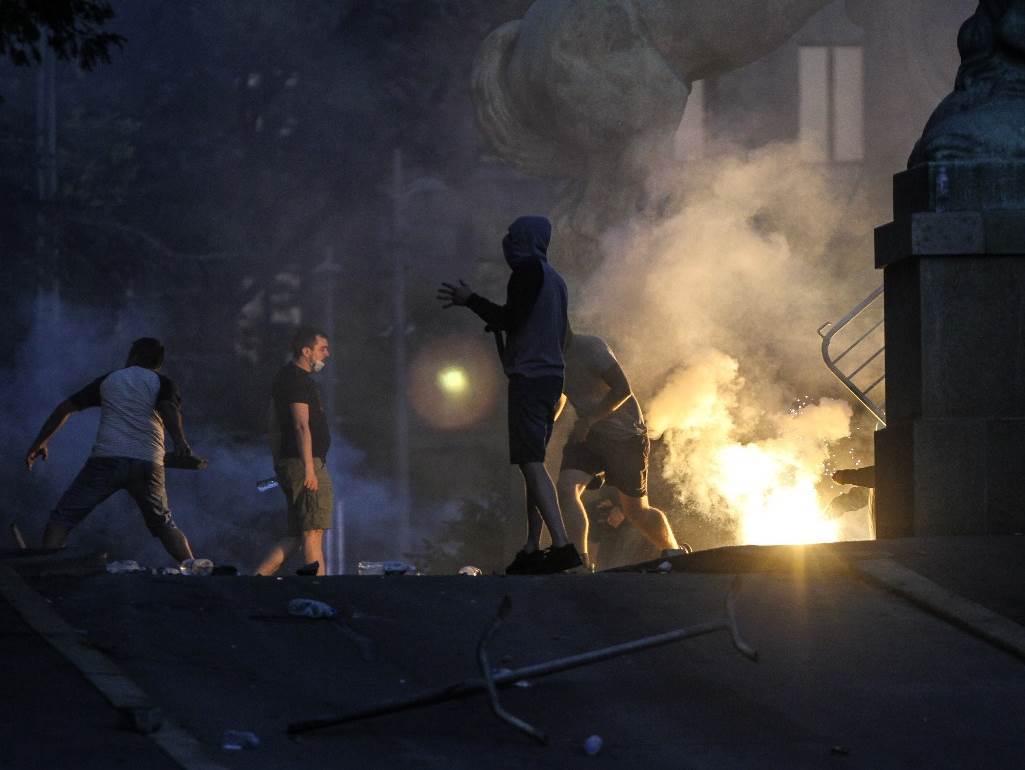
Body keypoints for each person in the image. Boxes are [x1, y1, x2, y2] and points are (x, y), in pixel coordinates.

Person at [438, 215, 582, 574]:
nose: (506, 243)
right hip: (551, 378)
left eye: (512, 236)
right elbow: (563, 335)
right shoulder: (557, 281)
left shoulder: (528, 273)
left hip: (530, 378)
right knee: (534, 463)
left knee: (530, 461)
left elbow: (510, 318)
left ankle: (562, 547)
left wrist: (470, 299)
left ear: (526, 241)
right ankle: (533, 548)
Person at [24, 337, 197, 563]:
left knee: (63, 518)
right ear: (159, 363)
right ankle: (194, 569)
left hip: (107, 460)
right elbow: (168, 409)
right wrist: (181, 443)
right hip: (148, 462)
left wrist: (40, 443)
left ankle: (45, 569)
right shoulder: (163, 383)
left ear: (133, 356)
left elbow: (65, 408)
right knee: (164, 524)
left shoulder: (110, 380)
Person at [555, 331, 687, 569]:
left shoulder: (591, 348)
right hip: (591, 437)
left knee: (635, 511)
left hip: (626, 436)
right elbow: (563, 390)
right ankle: (579, 562)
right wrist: (550, 418)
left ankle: (674, 552)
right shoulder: (550, 355)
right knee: (567, 488)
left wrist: (590, 420)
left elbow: (623, 389)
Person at [255, 327, 334, 577]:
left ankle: (256, 580)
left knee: (296, 534)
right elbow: (301, 426)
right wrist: (309, 469)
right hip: (305, 465)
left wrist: (279, 464)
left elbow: (273, 424)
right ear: (306, 351)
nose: (327, 354)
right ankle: (319, 591)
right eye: (322, 349)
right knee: (313, 532)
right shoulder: (296, 381)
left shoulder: (287, 378)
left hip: (294, 464)